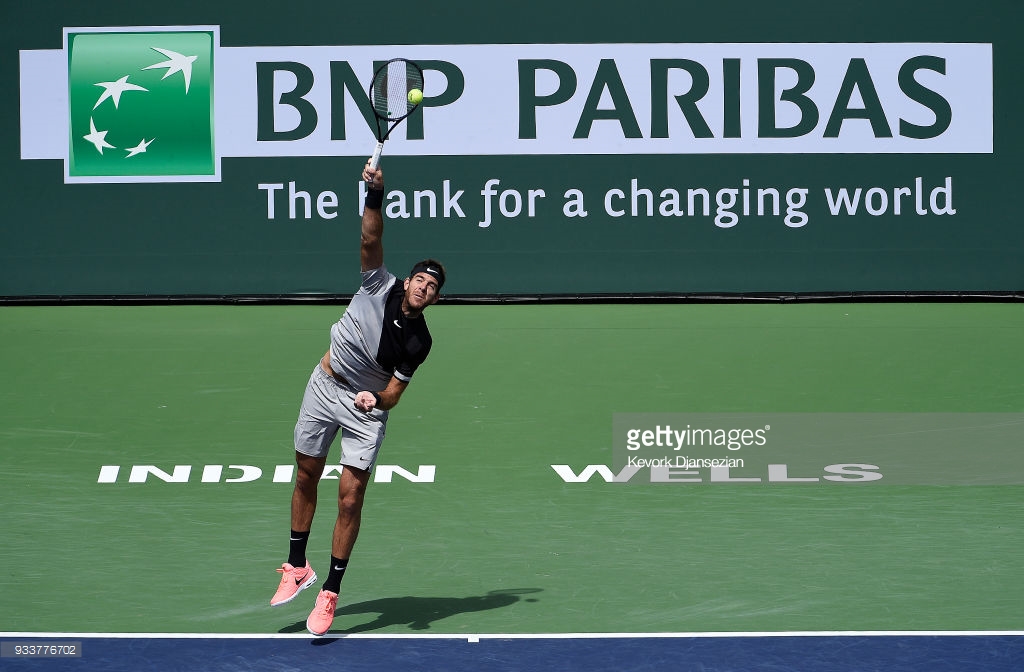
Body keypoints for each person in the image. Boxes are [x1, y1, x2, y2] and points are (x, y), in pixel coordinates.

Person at [269, 159, 446, 636]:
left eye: (433, 289)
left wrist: (377, 401)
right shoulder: (377, 283)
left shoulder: (419, 342)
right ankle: (295, 565)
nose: (423, 289)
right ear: (407, 281)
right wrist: (375, 193)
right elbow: (371, 239)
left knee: (350, 500)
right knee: (306, 472)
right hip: (324, 384)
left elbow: (395, 392)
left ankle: (329, 592)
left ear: (433, 299)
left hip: (364, 408)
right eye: (420, 281)